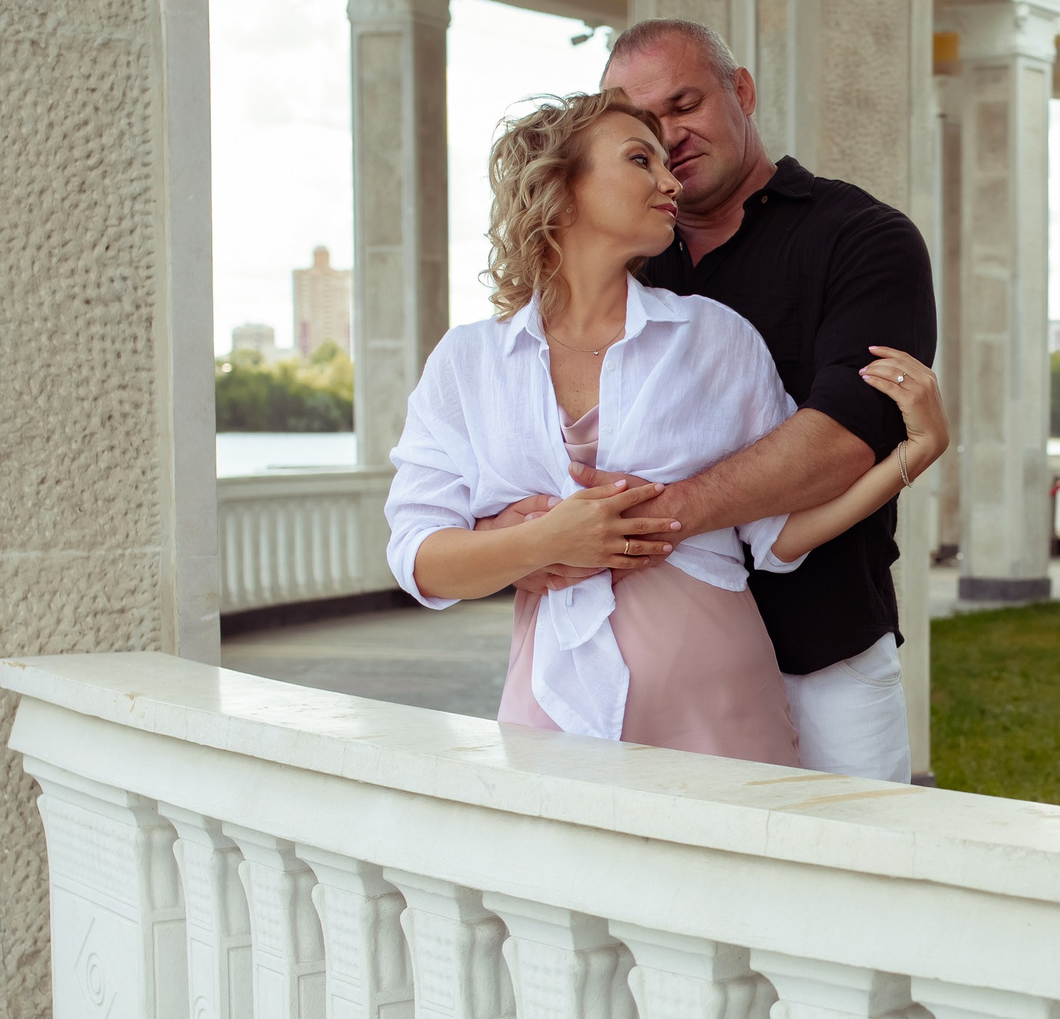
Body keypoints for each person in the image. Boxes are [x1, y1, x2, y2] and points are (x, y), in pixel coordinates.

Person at [382, 91, 945, 764]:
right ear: (561, 188)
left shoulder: (713, 337)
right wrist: (544, 540)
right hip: (549, 711)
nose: (671, 178)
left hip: (719, 709)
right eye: (639, 159)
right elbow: (418, 558)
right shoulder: (469, 363)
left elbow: (778, 531)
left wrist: (914, 454)